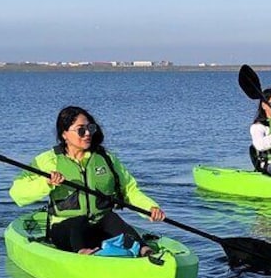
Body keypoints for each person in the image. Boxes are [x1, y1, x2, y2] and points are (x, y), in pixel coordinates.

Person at [9, 106, 165, 255]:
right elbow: (17, 194)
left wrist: (150, 208)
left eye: (90, 128)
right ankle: (83, 253)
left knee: (111, 218)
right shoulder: (47, 161)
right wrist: (46, 183)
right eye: (81, 130)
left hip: (99, 227)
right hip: (65, 230)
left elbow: (130, 190)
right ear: (64, 134)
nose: (87, 134)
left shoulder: (106, 158)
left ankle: (144, 250)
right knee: (78, 221)